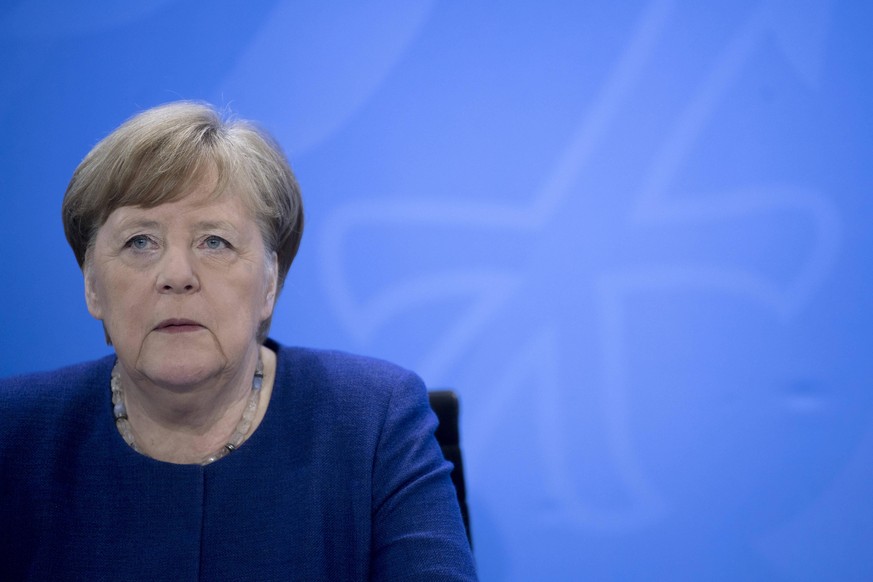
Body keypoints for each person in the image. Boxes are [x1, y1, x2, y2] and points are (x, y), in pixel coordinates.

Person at [0, 101, 477, 580]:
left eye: (215, 242)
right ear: (92, 285)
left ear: (270, 283)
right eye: (140, 241)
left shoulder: (374, 421)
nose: (177, 275)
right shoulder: (15, 433)